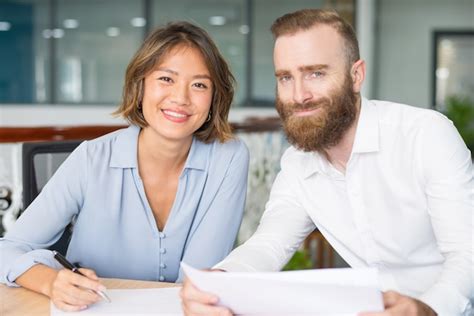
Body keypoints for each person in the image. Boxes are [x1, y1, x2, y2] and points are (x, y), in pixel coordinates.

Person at [180, 9, 473, 316]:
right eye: (285, 77)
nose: (299, 95)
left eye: (316, 73)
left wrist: (427, 309)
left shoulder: (425, 134)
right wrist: (219, 283)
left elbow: (467, 254)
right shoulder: (298, 163)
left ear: (356, 75)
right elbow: (269, 244)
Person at [0, 21, 249, 312]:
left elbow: (197, 280)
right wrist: (50, 281)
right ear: (140, 85)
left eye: (199, 85)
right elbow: (6, 249)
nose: (181, 98)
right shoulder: (91, 158)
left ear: (214, 98)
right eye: (166, 79)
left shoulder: (229, 158)